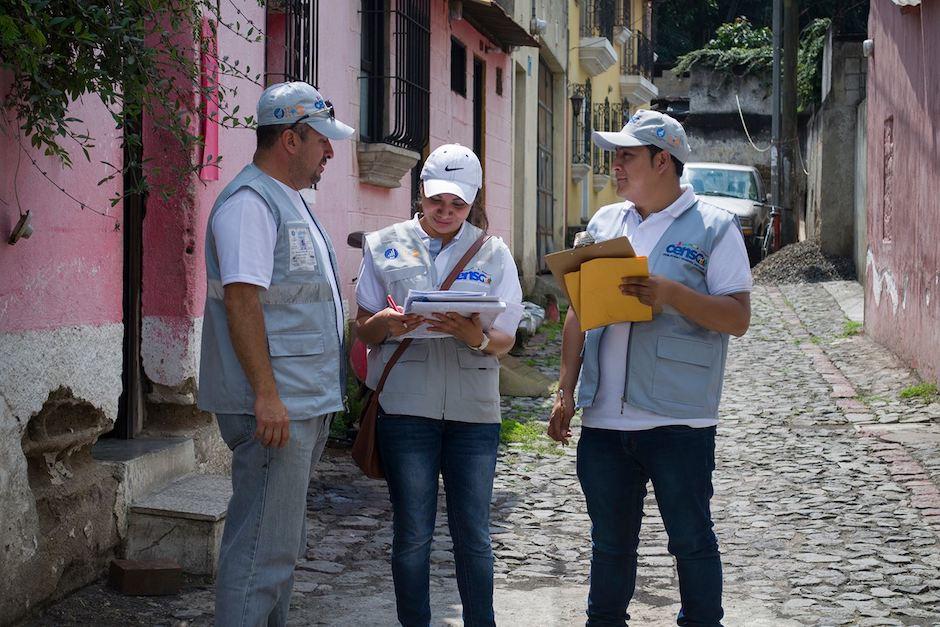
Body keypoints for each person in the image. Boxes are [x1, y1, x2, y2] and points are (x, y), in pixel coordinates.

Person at [548, 110, 752, 627]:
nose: (615, 166)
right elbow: (578, 311)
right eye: (615, 156)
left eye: (627, 156)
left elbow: (738, 318)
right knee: (609, 546)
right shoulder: (605, 223)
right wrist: (565, 389)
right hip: (604, 421)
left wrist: (672, 296)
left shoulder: (714, 227)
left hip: (679, 420)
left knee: (690, 539)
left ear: (663, 160)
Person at [197, 81, 355, 626]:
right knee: (262, 548)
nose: (330, 151)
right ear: (290, 139)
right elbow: (242, 302)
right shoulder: (249, 204)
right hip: (275, 407)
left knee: (279, 547)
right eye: (322, 141)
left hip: (300, 402)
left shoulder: (288, 199)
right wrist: (266, 395)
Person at [354, 144, 523, 627]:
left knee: (474, 535)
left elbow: (506, 335)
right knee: (412, 534)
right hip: (406, 409)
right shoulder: (386, 243)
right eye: (437, 202)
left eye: (458, 205)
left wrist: (477, 337)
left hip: (474, 412)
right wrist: (386, 322)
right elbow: (362, 327)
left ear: (472, 202)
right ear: (421, 195)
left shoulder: (493, 252)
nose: (446, 212)